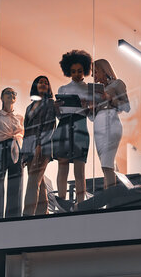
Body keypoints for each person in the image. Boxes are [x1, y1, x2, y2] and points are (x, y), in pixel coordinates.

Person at [53, 50, 92, 204]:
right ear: (68, 71)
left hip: (80, 125)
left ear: (85, 71)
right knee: (62, 166)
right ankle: (61, 201)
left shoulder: (90, 89)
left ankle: (80, 202)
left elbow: (92, 116)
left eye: (80, 71)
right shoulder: (62, 89)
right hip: (63, 125)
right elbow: (59, 115)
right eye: (73, 71)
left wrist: (88, 106)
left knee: (79, 169)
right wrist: (56, 108)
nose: (76, 74)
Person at [0, 87, 24, 220]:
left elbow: (23, 136)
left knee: (16, 185)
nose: (11, 95)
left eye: (13, 93)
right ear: (1, 97)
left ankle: (14, 219)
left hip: (16, 150)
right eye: (8, 93)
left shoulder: (19, 117)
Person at [91, 59, 130, 188]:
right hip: (98, 123)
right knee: (105, 165)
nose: (93, 75)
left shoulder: (117, 84)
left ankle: (110, 199)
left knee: (107, 165)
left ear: (103, 70)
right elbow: (91, 116)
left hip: (110, 121)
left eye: (95, 71)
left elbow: (126, 107)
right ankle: (110, 196)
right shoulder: (94, 91)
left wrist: (110, 98)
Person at [21, 76, 56, 216]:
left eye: (46, 83)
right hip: (29, 147)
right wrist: (24, 152)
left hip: (42, 147)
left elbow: (50, 127)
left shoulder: (50, 104)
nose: (43, 84)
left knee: (33, 181)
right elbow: (26, 130)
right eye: (41, 82)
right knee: (38, 182)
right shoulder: (29, 107)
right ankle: (44, 213)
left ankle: (27, 215)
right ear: (35, 85)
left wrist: (40, 145)